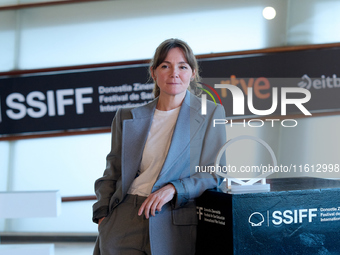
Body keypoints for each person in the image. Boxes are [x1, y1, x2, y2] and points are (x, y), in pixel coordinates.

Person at [92, 38, 227, 255]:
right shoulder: (126, 117)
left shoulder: (210, 113)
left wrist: (174, 189)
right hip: (124, 220)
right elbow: (112, 171)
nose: (174, 73)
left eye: (182, 66)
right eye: (165, 66)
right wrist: (102, 215)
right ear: (154, 73)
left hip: (174, 222)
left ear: (192, 73)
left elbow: (214, 174)